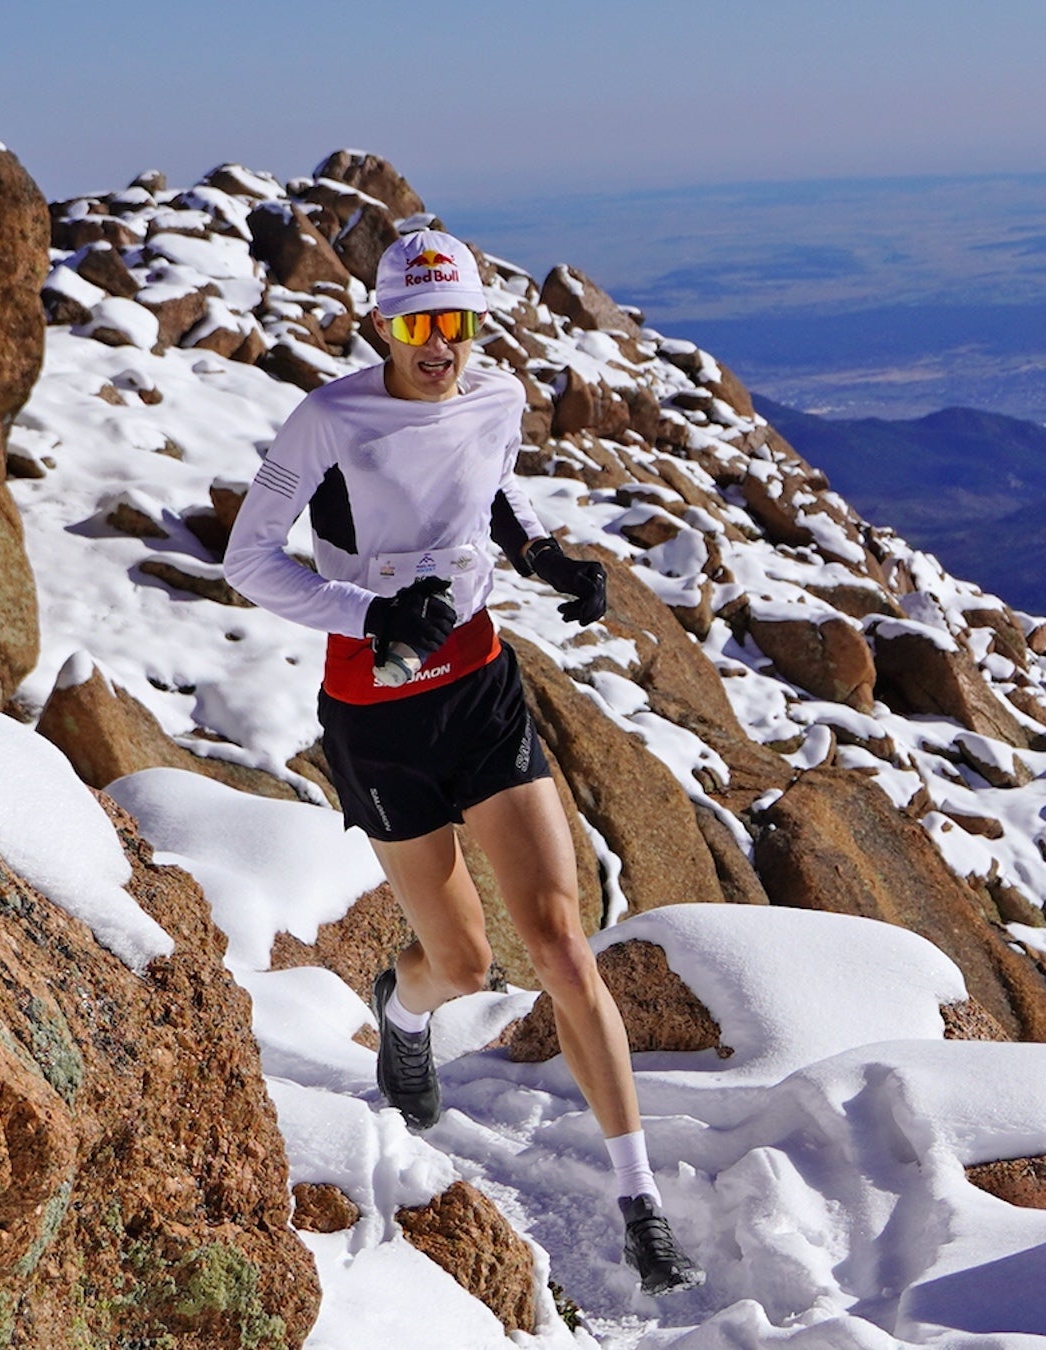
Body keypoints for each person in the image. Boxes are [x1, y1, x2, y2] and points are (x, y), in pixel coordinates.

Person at [223, 229, 705, 1297]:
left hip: (482, 690)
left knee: (563, 947)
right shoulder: (330, 419)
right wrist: (371, 610)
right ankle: (404, 1013)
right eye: (418, 323)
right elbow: (247, 558)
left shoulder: (493, 397)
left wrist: (543, 559)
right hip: (378, 716)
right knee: (467, 966)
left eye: (458, 323)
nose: (439, 346)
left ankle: (641, 1204)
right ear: (383, 323)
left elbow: (496, 490)